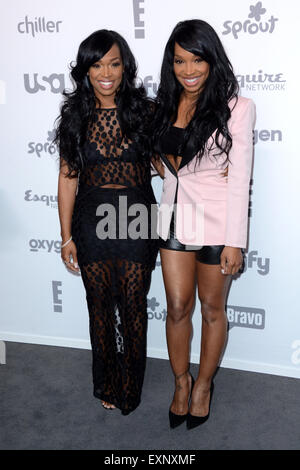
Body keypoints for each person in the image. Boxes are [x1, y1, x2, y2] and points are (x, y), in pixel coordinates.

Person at [151, 19, 256, 429]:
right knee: (177, 307)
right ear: (171, 63)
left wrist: (235, 241)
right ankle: (181, 381)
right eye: (180, 60)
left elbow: (240, 177)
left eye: (197, 59)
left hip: (217, 224)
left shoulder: (238, 108)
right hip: (174, 217)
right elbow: (165, 165)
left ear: (211, 60)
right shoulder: (165, 105)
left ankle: (204, 386)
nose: (188, 69)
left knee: (213, 309)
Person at [55, 30, 158, 415]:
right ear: (85, 69)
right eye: (97, 64)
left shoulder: (145, 111)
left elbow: (164, 165)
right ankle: (106, 381)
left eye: (114, 63)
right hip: (92, 216)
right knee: (99, 305)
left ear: (125, 66)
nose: (106, 73)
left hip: (136, 214)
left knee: (133, 305)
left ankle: (130, 385)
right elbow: (68, 180)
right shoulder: (75, 116)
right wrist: (66, 236)